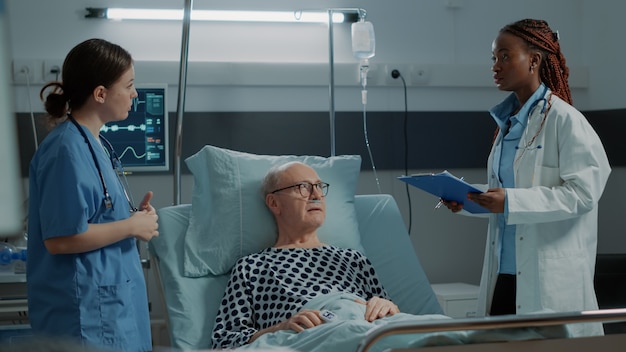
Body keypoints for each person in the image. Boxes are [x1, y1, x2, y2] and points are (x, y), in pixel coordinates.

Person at [442, 19, 610, 337]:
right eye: (494, 58)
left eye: (505, 56)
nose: (496, 65)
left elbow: (583, 194)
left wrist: (510, 200)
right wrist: (468, 198)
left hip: (547, 281)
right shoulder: (507, 126)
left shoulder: (567, 121)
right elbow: (509, 195)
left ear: (533, 60)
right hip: (505, 276)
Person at [27, 38, 159, 351]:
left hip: (112, 308)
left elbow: (95, 215)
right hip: (84, 314)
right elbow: (60, 240)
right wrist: (130, 227)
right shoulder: (65, 151)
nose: (134, 94)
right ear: (100, 94)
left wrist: (134, 219)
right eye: (128, 85)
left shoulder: (93, 144)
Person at [211, 161, 400, 349]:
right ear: (274, 203)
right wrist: (280, 327)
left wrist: (385, 305)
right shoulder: (252, 267)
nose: (317, 195)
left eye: (319, 186)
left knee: (425, 328)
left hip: (374, 329)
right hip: (317, 334)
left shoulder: (353, 259)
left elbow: (395, 316)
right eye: (303, 187)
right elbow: (225, 341)